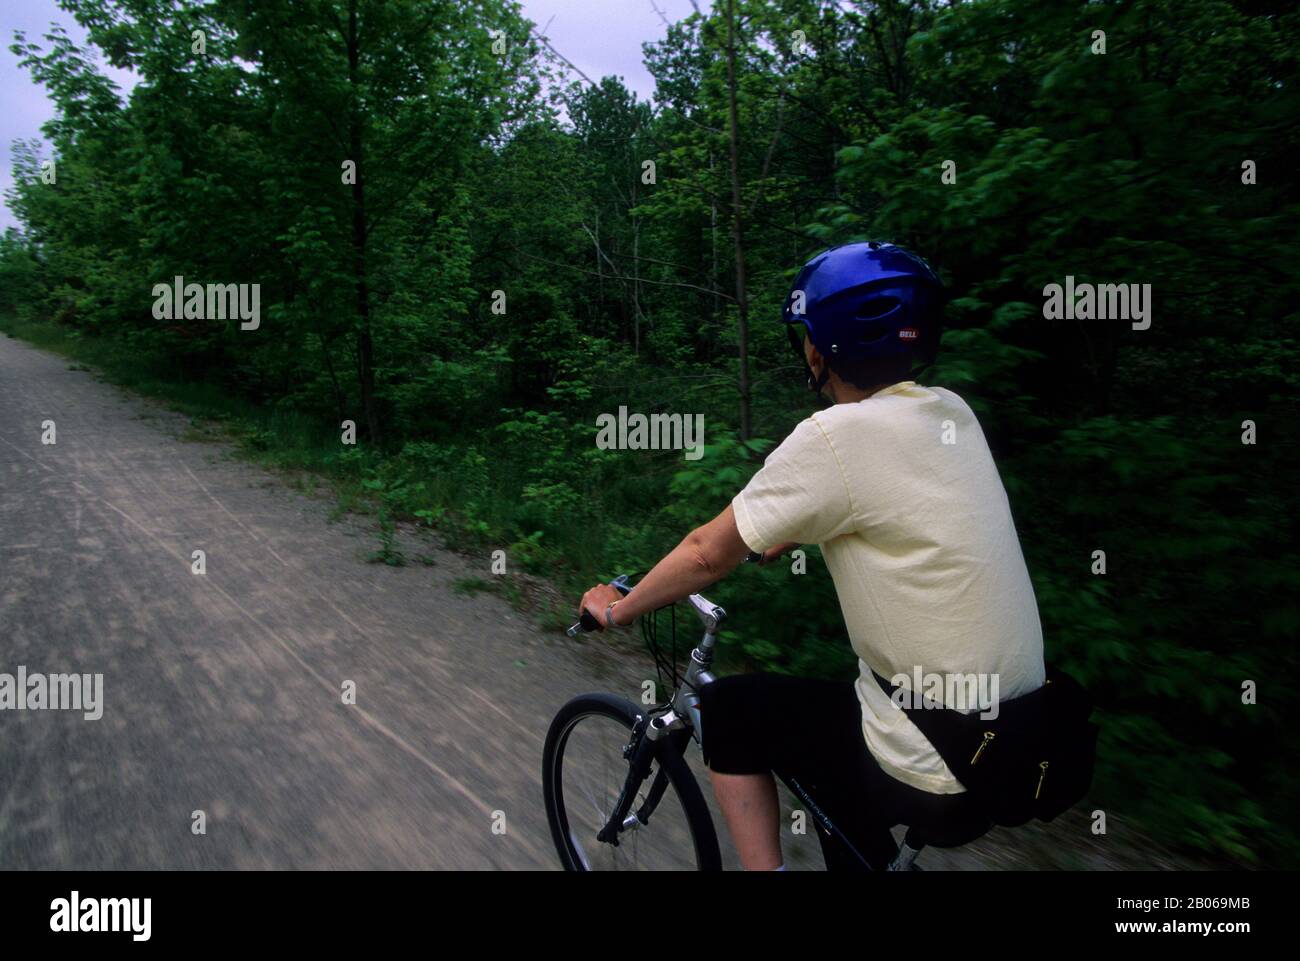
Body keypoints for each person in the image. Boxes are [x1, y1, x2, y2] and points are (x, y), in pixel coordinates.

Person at [578, 241, 1046, 871]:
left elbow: (703, 555)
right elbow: (901, 503)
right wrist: (796, 530)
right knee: (832, 762)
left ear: (823, 348)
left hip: (929, 759)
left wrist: (619, 610)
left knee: (732, 710)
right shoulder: (952, 413)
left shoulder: (833, 435)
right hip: (1012, 746)